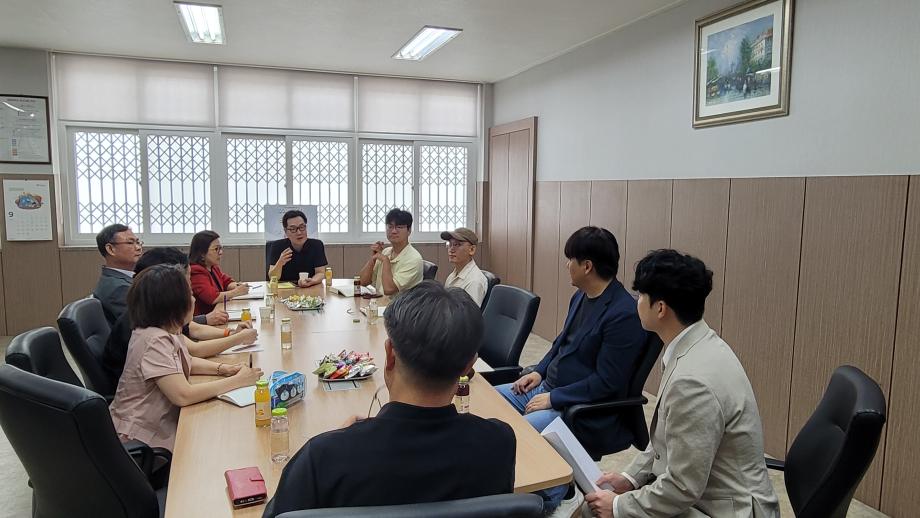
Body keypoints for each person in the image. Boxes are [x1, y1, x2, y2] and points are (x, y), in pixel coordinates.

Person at [263, 281, 516, 517]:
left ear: (390, 355)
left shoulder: (322, 459)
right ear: (469, 366)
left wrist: (340, 442)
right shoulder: (499, 443)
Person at [585, 250, 779, 518]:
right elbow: (665, 440)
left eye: (640, 296)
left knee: (596, 511)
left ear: (660, 308)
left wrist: (618, 507)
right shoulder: (697, 343)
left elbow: (682, 487)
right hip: (710, 495)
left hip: (729, 511)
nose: (636, 302)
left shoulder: (692, 381)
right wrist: (631, 478)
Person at [495, 226, 646, 516]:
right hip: (548, 387)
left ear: (587, 266)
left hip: (577, 406)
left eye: (570, 260)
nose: (567, 265)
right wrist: (539, 372)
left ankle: (555, 494)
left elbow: (607, 383)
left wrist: (554, 398)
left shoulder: (623, 313)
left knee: (518, 435)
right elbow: (560, 342)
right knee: (489, 404)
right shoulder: (581, 296)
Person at [109, 264, 263, 452]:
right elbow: (183, 395)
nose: (193, 299)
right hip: (142, 439)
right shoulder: (154, 340)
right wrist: (238, 381)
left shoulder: (164, 330)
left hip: (157, 425)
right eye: (189, 294)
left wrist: (223, 369)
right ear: (172, 303)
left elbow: (186, 359)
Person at [102, 247, 258, 388]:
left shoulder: (158, 316)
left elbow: (188, 354)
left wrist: (230, 339)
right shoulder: (150, 330)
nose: (191, 285)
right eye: (188, 277)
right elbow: (185, 390)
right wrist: (237, 343)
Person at [357, 208, 423, 296]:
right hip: (379, 302)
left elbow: (389, 290)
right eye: (390, 227)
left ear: (409, 230)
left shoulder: (413, 259)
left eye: (399, 227)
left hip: (399, 305)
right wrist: (373, 259)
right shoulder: (386, 252)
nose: (394, 231)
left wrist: (385, 261)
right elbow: (362, 282)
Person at [189, 230, 250, 315]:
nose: (221, 252)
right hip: (206, 318)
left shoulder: (213, 267)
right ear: (202, 253)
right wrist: (237, 292)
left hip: (218, 312)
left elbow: (226, 282)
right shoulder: (196, 271)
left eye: (220, 248)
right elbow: (212, 298)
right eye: (216, 249)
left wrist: (237, 286)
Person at [93, 223, 143, 325]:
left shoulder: (120, 280)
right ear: (111, 249)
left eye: (138, 242)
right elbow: (142, 324)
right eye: (130, 243)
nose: (138, 248)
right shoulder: (118, 288)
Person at [266, 210, 328, 286]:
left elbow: (320, 273)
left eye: (302, 227)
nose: (299, 232)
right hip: (285, 290)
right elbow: (272, 277)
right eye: (293, 229)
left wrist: (312, 281)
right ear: (285, 231)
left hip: (309, 288)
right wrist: (280, 262)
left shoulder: (316, 245)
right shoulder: (277, 246)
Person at [441, 227, 488, 306]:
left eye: (457, 245)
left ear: (472, 249)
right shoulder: (453, 275)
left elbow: (468, 313)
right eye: (450, 244)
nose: (451, 249)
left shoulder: (474, 282)